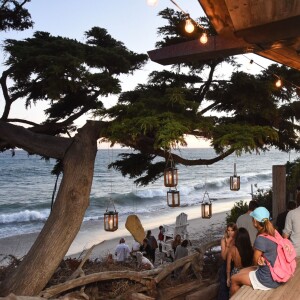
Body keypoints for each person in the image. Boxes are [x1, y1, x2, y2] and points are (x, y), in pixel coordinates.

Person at [230, 207, 281, 296]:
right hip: (276, 272)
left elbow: (255, 262)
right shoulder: (274, 232)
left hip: (267, 279)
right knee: (240, 272)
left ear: (255, 222)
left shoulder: (260, 238)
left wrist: (259, 259)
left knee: (233, 279)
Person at [217, 222, 237, 300]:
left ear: (235, 231)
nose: (230, 232)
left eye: (232, 230)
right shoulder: (223, 241)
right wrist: (228, 245)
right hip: (226, 265)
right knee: (224, 287)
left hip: (235, 265)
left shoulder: (237, 239)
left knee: (233, 288)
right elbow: (224, 257)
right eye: (228, 230)